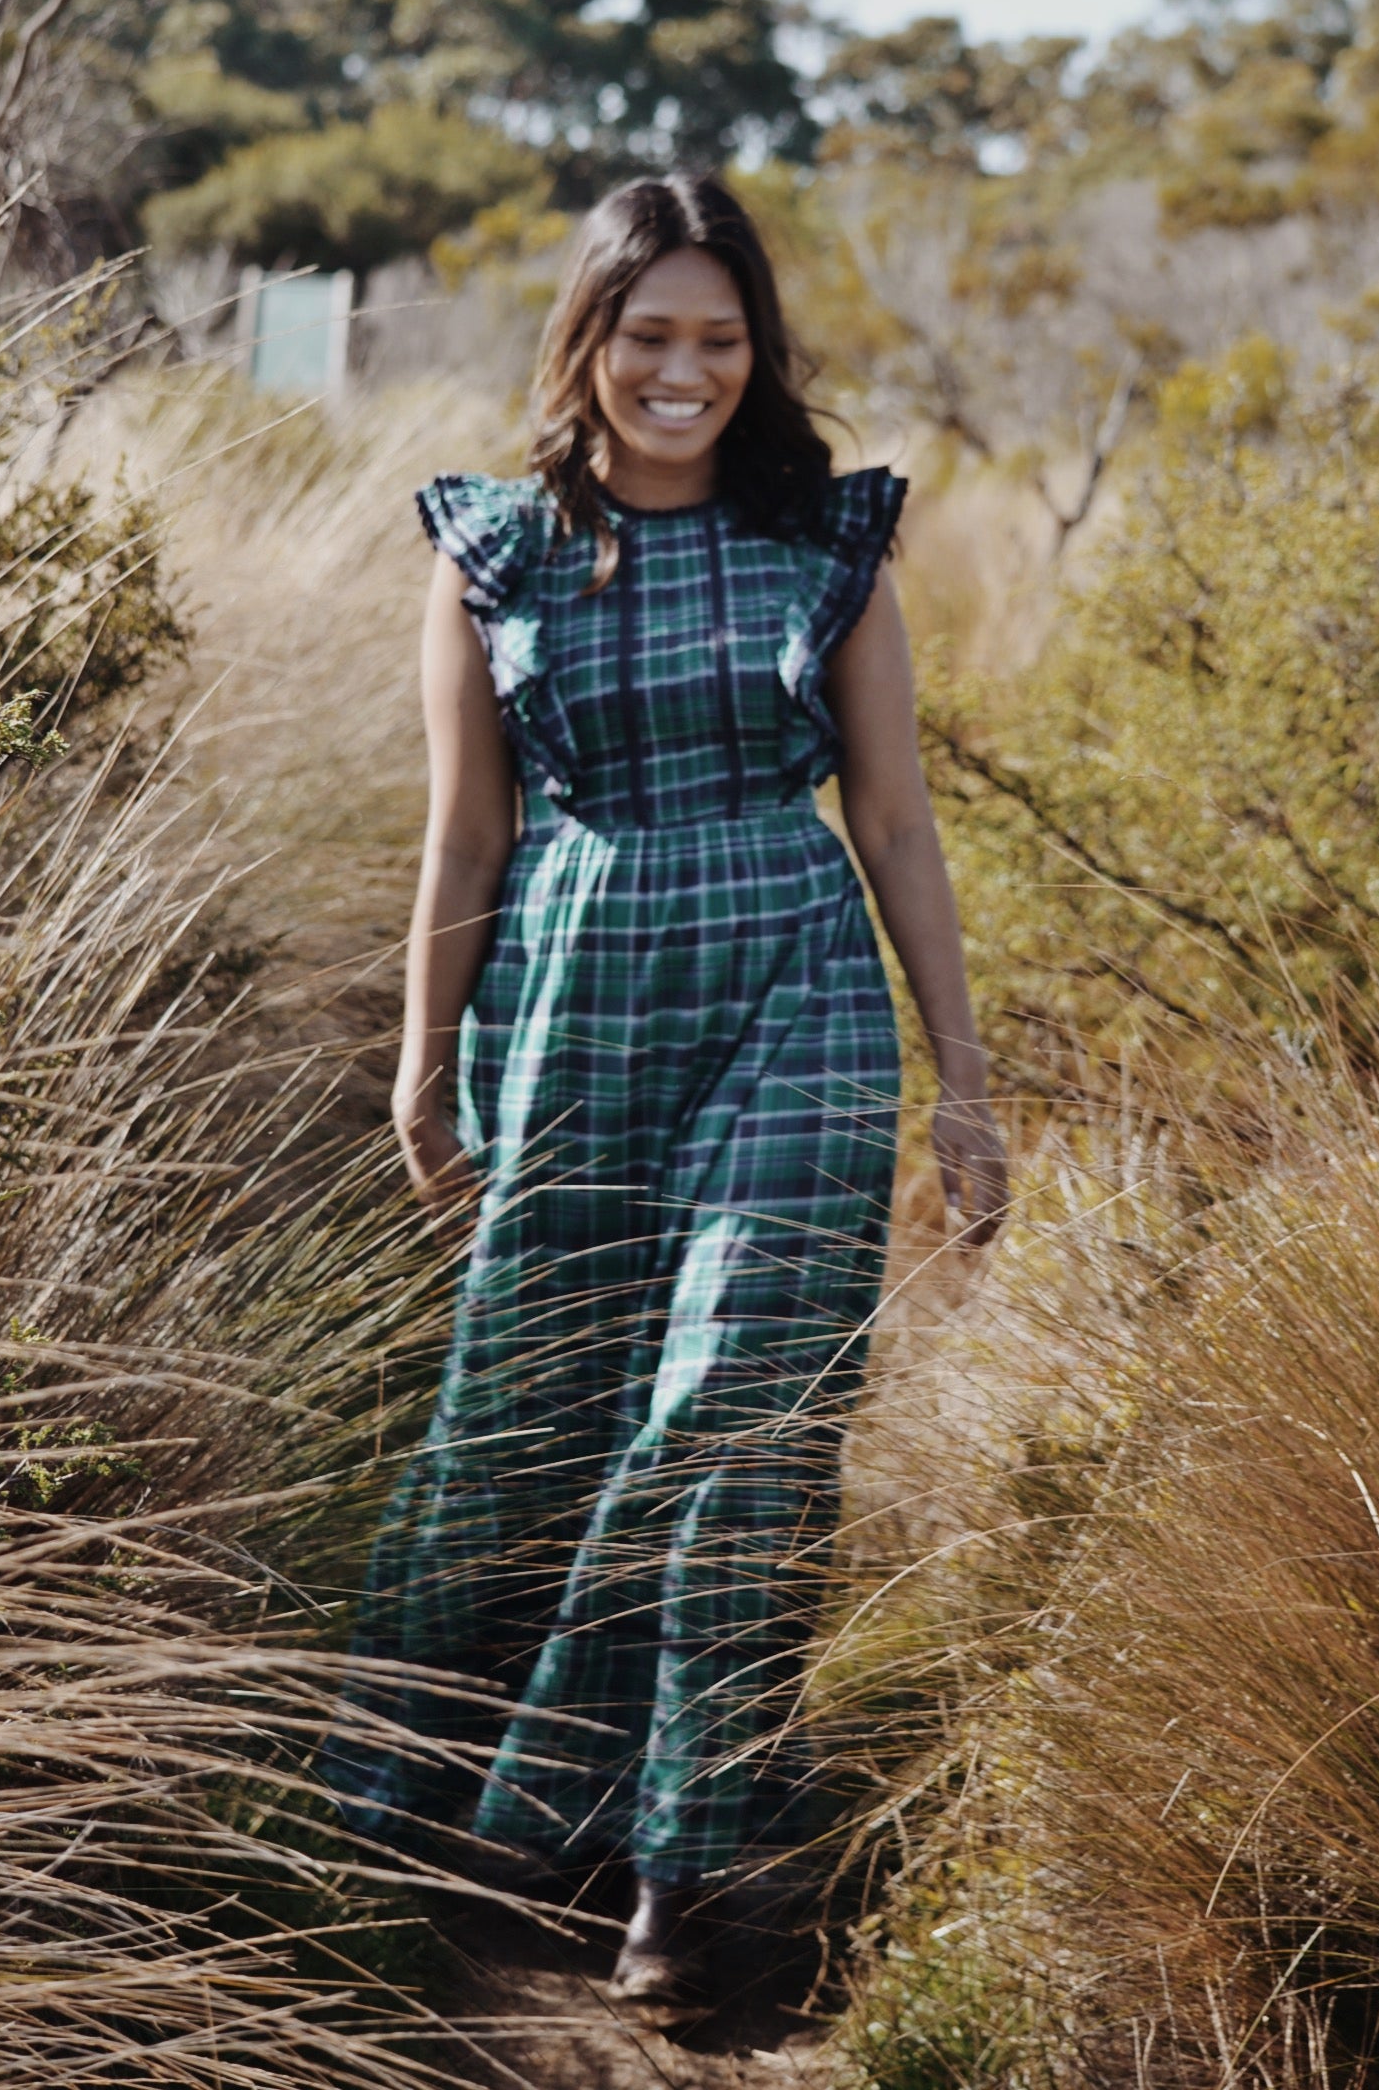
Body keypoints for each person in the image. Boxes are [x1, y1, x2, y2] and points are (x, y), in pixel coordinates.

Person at [321, 171, 1008, 2010]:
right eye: (650, 337)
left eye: (720, 339)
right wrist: (419, 1064)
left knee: (739, 1417)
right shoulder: (495, 550)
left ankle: (696, 1883)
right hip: (573, 1006)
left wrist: (964, 1082)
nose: (683, 372)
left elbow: (897, 824)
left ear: (757, 355)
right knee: (532, 1412)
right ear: (591, 342)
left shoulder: (827, 541)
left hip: (795, 990)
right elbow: (464, 828)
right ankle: (485, 1809)